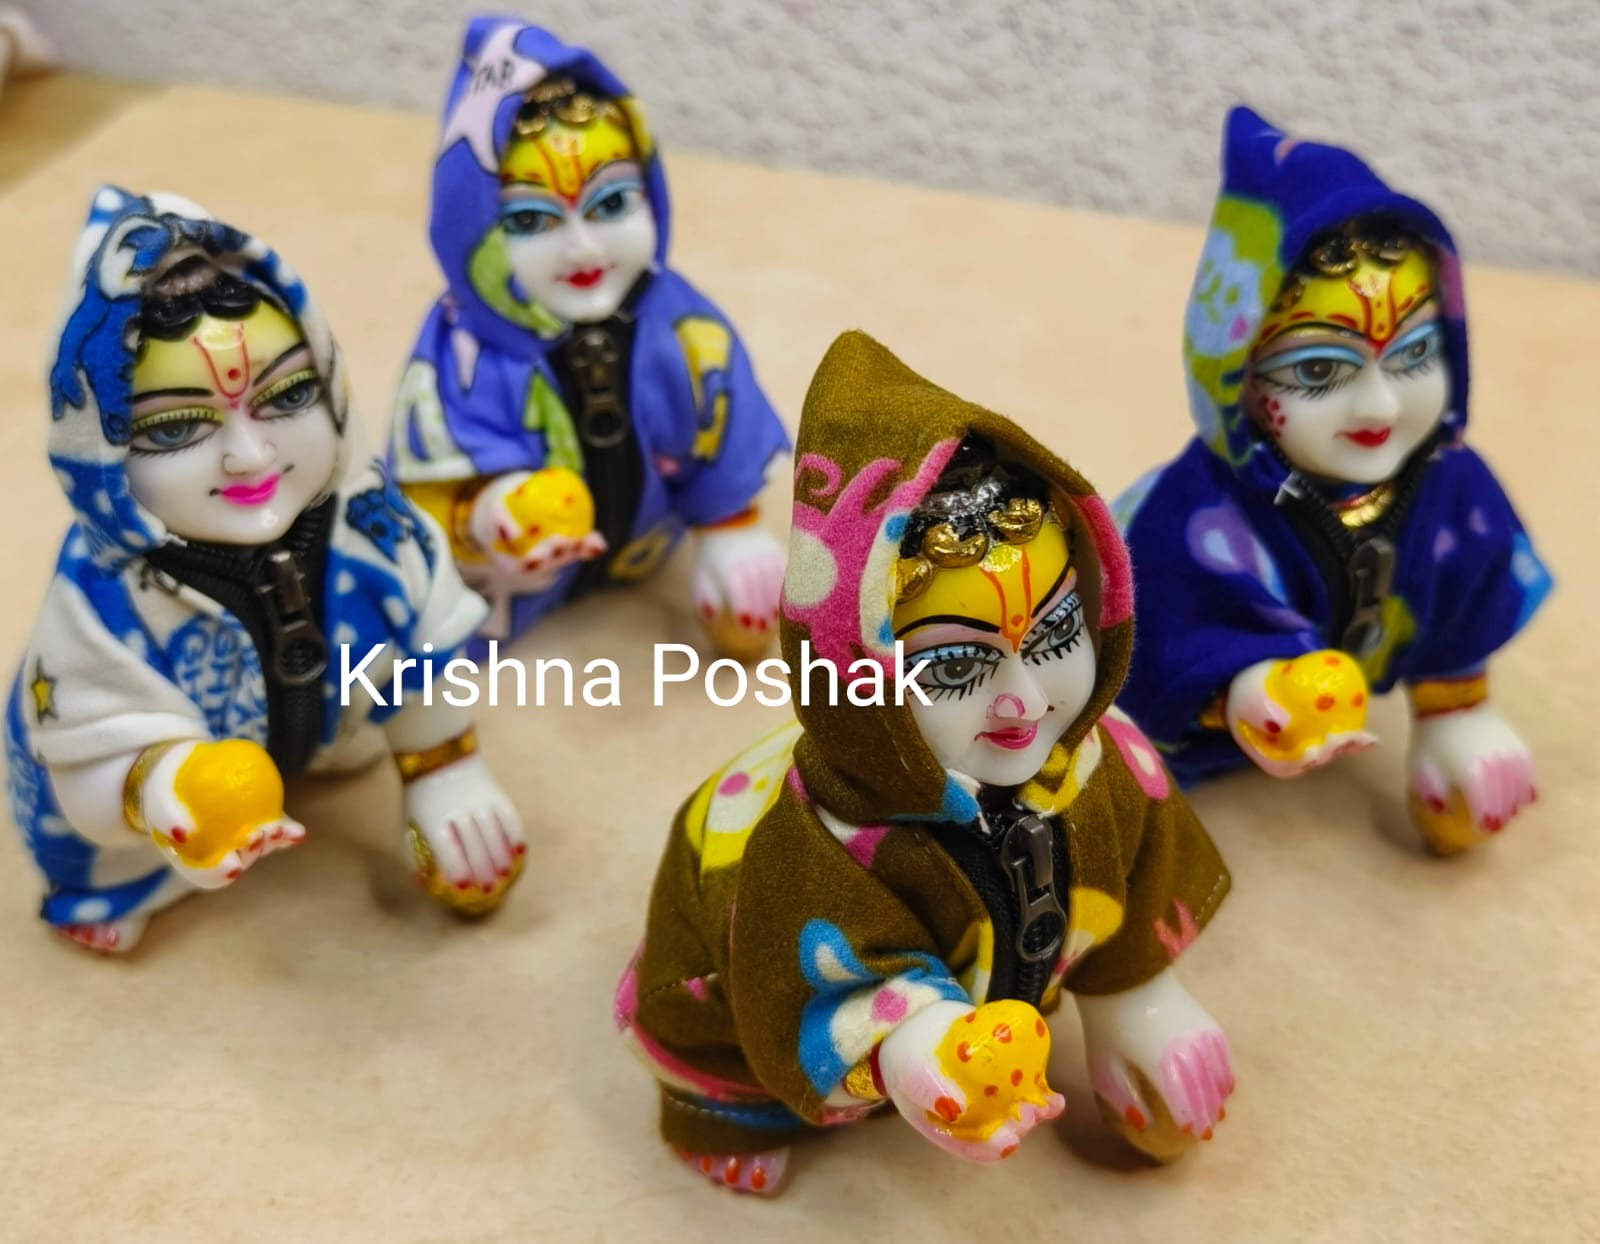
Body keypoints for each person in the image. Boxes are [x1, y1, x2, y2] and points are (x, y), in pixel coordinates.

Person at [616, 333, 1234, 1194]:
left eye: (1056, 633)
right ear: (856, 670)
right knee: (724, 1048)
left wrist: (1137, 998)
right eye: (952, 667)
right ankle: (717, 1108)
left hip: (1006, 982)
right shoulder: (818, 846)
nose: (1025, 701)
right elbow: (801, 969)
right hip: (740, 988)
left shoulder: (1103, 760)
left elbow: (1138, 875)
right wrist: (916, 1044)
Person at [6, 188, 525, 954]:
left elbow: (424, 657)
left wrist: (442, 770)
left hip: (325, 720)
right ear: (103, 448)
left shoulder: (371, 524)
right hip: (163, 792)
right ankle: (121, 879)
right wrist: (167, 787)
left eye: (288, 395)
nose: (250, 457)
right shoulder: (100, 600)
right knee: (99, 837)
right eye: (176, 428)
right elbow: (85, 758)